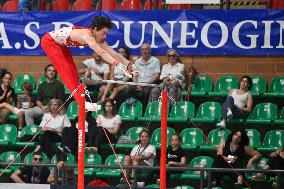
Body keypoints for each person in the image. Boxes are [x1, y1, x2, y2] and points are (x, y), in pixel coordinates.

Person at [41, 16, 139, 107]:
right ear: (96, 29)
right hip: (49, 42)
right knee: (66, 70)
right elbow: (101, 52)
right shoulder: (87, 35)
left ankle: (83, 103)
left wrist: (129, 64)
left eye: (106, 33)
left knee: (73, 71)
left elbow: (115, 54)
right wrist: (118, 65)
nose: (105, 36)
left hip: (61, 45)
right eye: (104, 33)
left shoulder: (98, 39)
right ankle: (82, 103)